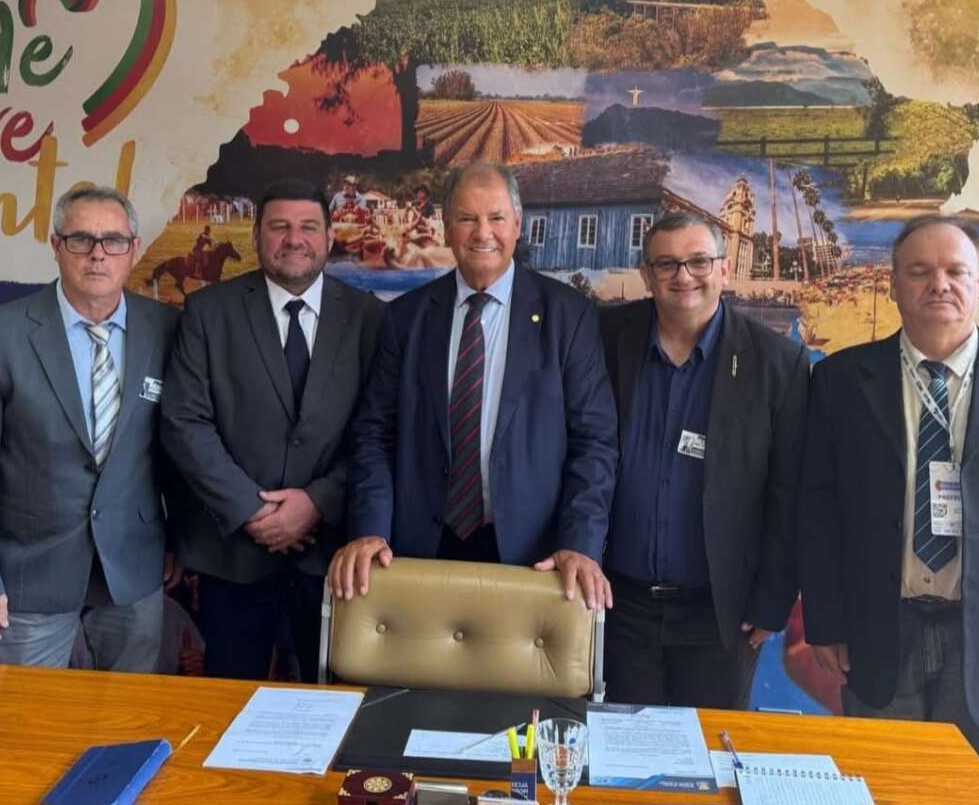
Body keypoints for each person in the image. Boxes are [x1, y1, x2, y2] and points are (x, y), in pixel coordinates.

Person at [330, 163, 618, 611]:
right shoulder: (405, 318)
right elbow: (374, 434)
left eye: (496, 218)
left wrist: (579, 543)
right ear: (446, 229)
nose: (483, 233)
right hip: (418, 551)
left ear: (517, 224)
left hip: (535, 559)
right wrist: (370, 529)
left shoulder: (569, 316)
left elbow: (594, 441)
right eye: (467, 219)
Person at [800, 214, 979, 777]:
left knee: (968, 790)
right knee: (881, 783)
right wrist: (825, 622)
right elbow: (818, 510)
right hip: (878, 629)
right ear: (893, 284)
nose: (939, 284)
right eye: (919, 271)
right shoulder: (840, 382)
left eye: (955, 271)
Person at [160, 178, 383, 682]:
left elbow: (378, 430)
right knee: (227, 705)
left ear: (329, 237)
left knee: (332, 705)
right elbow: (184, 421)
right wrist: (252, 509)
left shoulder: (370, 317)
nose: (294, 239)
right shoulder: (208, 312)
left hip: (333, 558)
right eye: (279, 227)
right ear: (257, 236)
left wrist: (317, 503)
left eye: (308, 227)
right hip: (232, 556)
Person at [598, 212, 809, 708]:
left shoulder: (778, 363)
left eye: (698, 261)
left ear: (724, 269)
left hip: (722, 612)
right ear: (647, 274)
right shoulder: (604, 338)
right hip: (617, 604)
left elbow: (790, 492)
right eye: (667, 264)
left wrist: (773, 598)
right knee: (623, 745)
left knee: (711, 744)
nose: (684, 276)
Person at [0, 186, 180, 671]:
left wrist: (180, 543)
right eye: (81, 239)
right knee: (27, 715)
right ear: (56, 246)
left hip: (133, 575)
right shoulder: (2, 334)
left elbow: (181, 448)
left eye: (113, 240)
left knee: (128, 713)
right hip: (27, 577)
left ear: (133, 250)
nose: (98, 254)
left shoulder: (168, 329)